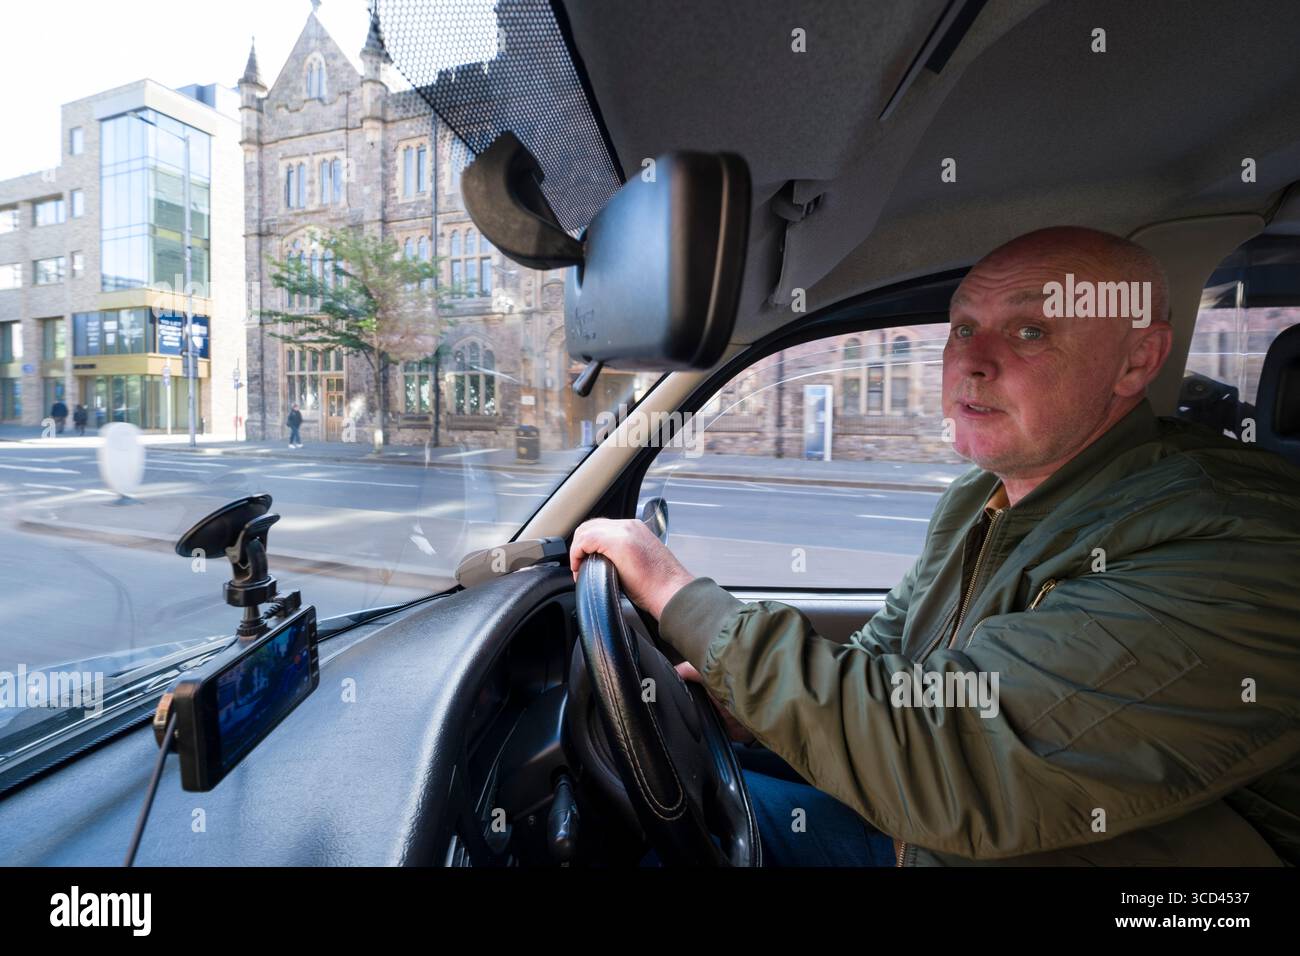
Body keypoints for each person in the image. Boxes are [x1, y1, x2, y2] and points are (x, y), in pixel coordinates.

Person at [569, 226, 1300, 866]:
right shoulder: (978, 498)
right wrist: (744, 705)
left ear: (1137, 362)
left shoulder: (1236, 536)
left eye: (1029, 332)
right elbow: (890, 663)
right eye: (961, 329)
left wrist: (675, 594)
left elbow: (956, 753)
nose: (971, 363)